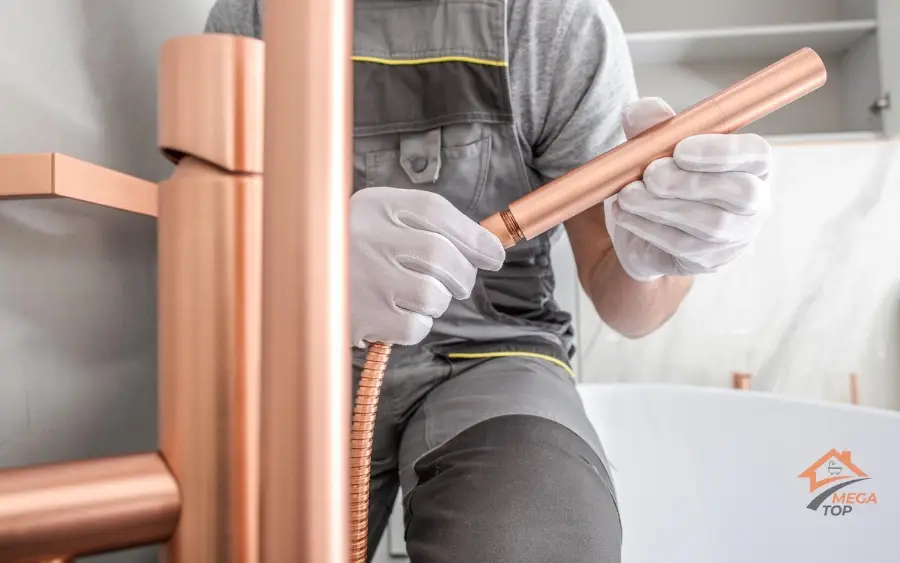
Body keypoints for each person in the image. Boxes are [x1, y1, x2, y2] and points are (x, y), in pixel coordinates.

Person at [205, 0, 772, 561]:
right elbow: (204, 245)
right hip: (307, 357)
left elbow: (627, 302)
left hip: (496, 353)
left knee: (530, 531)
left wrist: (663, 255)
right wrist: (304, 263)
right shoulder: (254, 18)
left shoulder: (555, 23)